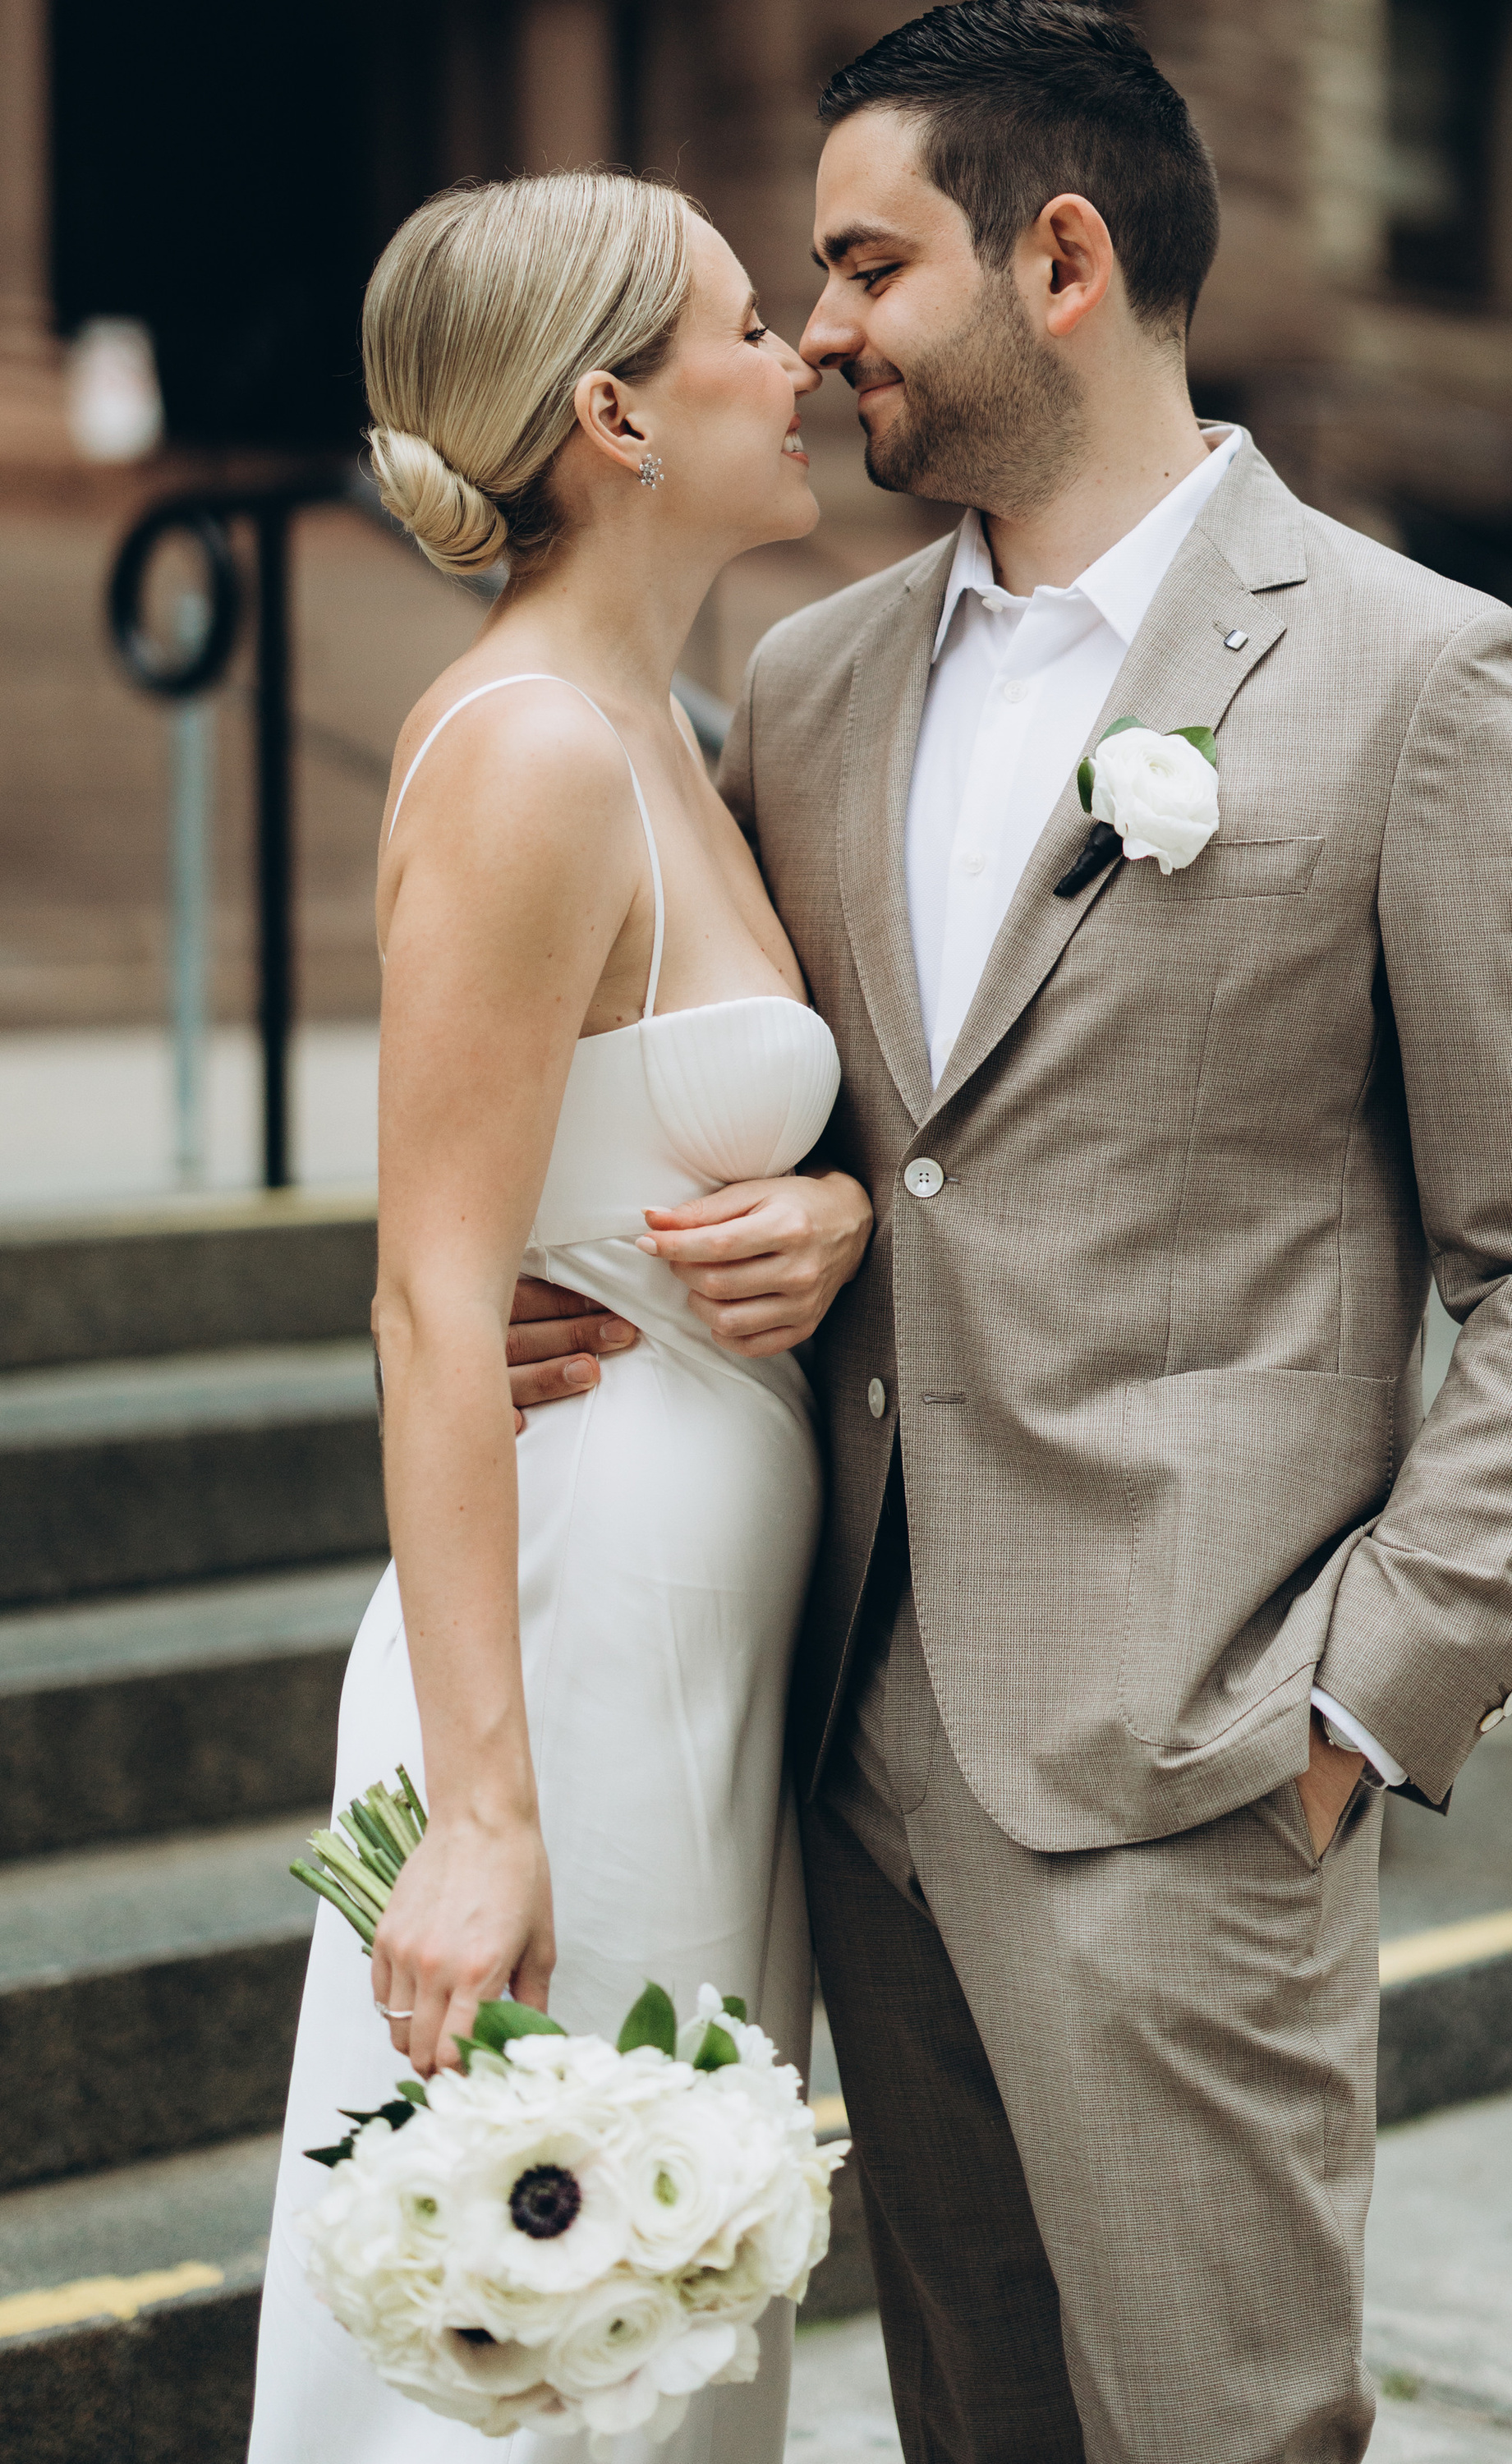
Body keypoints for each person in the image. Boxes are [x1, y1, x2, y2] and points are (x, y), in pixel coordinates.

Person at [509, 0, 1512, 2463]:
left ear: (1060, 258)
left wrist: (1351, 1717)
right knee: (977, 2425)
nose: (814, 336)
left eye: (861, 266)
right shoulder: (807, 684)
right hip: (852, 1750)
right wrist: (637, 1269)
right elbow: (850, 1126)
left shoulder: (1419, 678)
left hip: (1200, 1762)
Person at [249, 171, 874, 2464]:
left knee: (666, 2319)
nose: (796, 350)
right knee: (549, 2337)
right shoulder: (525, 749)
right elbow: (433, 1293)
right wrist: (483, 1813)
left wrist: (827, 1219)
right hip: (576, 1630)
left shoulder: (675, 731)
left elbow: (633, 1140)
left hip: (697, 1628)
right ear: (611, 407)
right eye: (740, 326)